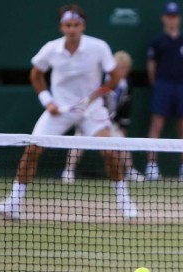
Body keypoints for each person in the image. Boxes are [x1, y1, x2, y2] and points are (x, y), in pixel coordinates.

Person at [0, 4, 138, 220]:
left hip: (91, 110)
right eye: (68, 25)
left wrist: (96, 96)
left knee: (110, 152)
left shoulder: (99, 47)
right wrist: (47, 101)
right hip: (59, 110)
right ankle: (13, 203)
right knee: (32, 150)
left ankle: (125, 202)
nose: (72, 29)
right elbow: (36, 75)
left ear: (83, 26)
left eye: (76, 25)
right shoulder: (51, 49)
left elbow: (114, 76)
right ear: (62, 27)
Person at [61, 50, 145, 184]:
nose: (123, 71)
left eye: (125, 68)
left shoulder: (126, 84)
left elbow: (125, 107)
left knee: (122, 141)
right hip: (89, 117)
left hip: (109, 122)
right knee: (79, 140)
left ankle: (130, 170)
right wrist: (84, 117)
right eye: (120, 67)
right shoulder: (101, 79)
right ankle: (68, 171)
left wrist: (122, 125)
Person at [144, 2, 183, 181]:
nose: (172, 20)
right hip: (163, 85)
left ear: (179, 18)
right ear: (164, 18)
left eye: (175, 17)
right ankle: (152, 166)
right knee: (156, 125)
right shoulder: (157, 42)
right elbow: (151, 67)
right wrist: (159, 85)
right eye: (169, 17)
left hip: (182, 86)